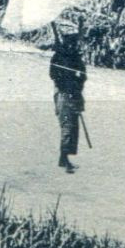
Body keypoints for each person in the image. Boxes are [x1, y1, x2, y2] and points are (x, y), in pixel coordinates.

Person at [50, 28, 87, 173]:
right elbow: (54, 75)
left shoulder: (75, 57)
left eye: (74, 41)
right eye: (70, 41)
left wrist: (77, 83)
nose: (73, 44)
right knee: (67, 126)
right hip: (64, 94)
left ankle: (65, 157)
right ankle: (63, 158)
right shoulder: (58, 57)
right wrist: (69, 83)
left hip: (75, 94)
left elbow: (83, 74)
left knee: (72, 127)